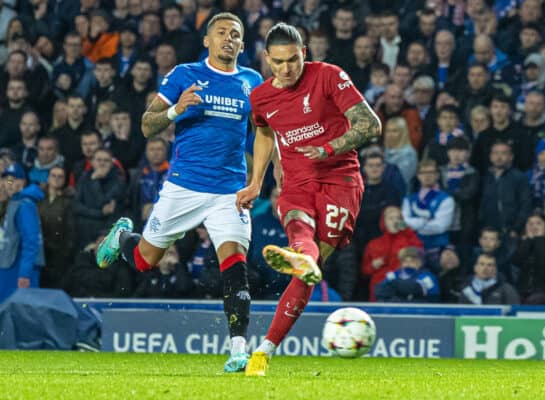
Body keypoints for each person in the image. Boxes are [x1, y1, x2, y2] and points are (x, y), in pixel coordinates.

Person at [95, 13, 263, 373]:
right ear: (207, 41)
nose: (229, 39)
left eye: (236, 34)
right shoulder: (184, 75)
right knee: (144, 261)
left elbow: (262, 136)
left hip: (229, 192)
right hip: (183, 187)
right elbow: (146, 125)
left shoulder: (252, 81)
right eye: (221, 33)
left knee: (234, 265)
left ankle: (238, 351)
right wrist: (176, 109)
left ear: (243, 44)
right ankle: (123, 235)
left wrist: (258, 180)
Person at [236, 23, 381, 376]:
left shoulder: (329, 76)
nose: (287, 70)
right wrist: (256, 181)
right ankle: (262, 355)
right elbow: (265, 132)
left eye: (293, 61)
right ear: (267, 59)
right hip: (297, 180)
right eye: (279, 63)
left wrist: (328, 148)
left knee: (309, 269)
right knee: (299, 231)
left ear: (305, 52)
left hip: (340, 181)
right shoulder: (261, 97)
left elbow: (371, 125)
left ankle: (267, 347)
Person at [0, 163, 45, 302]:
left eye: (14, 180)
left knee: (19, 314)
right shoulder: (15, 202)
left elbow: (31, 241)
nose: (9, 184)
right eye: (7, 180)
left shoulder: (25, 204)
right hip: (10, 264)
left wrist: (24, 274)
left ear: (23, 182)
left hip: (18, 267)